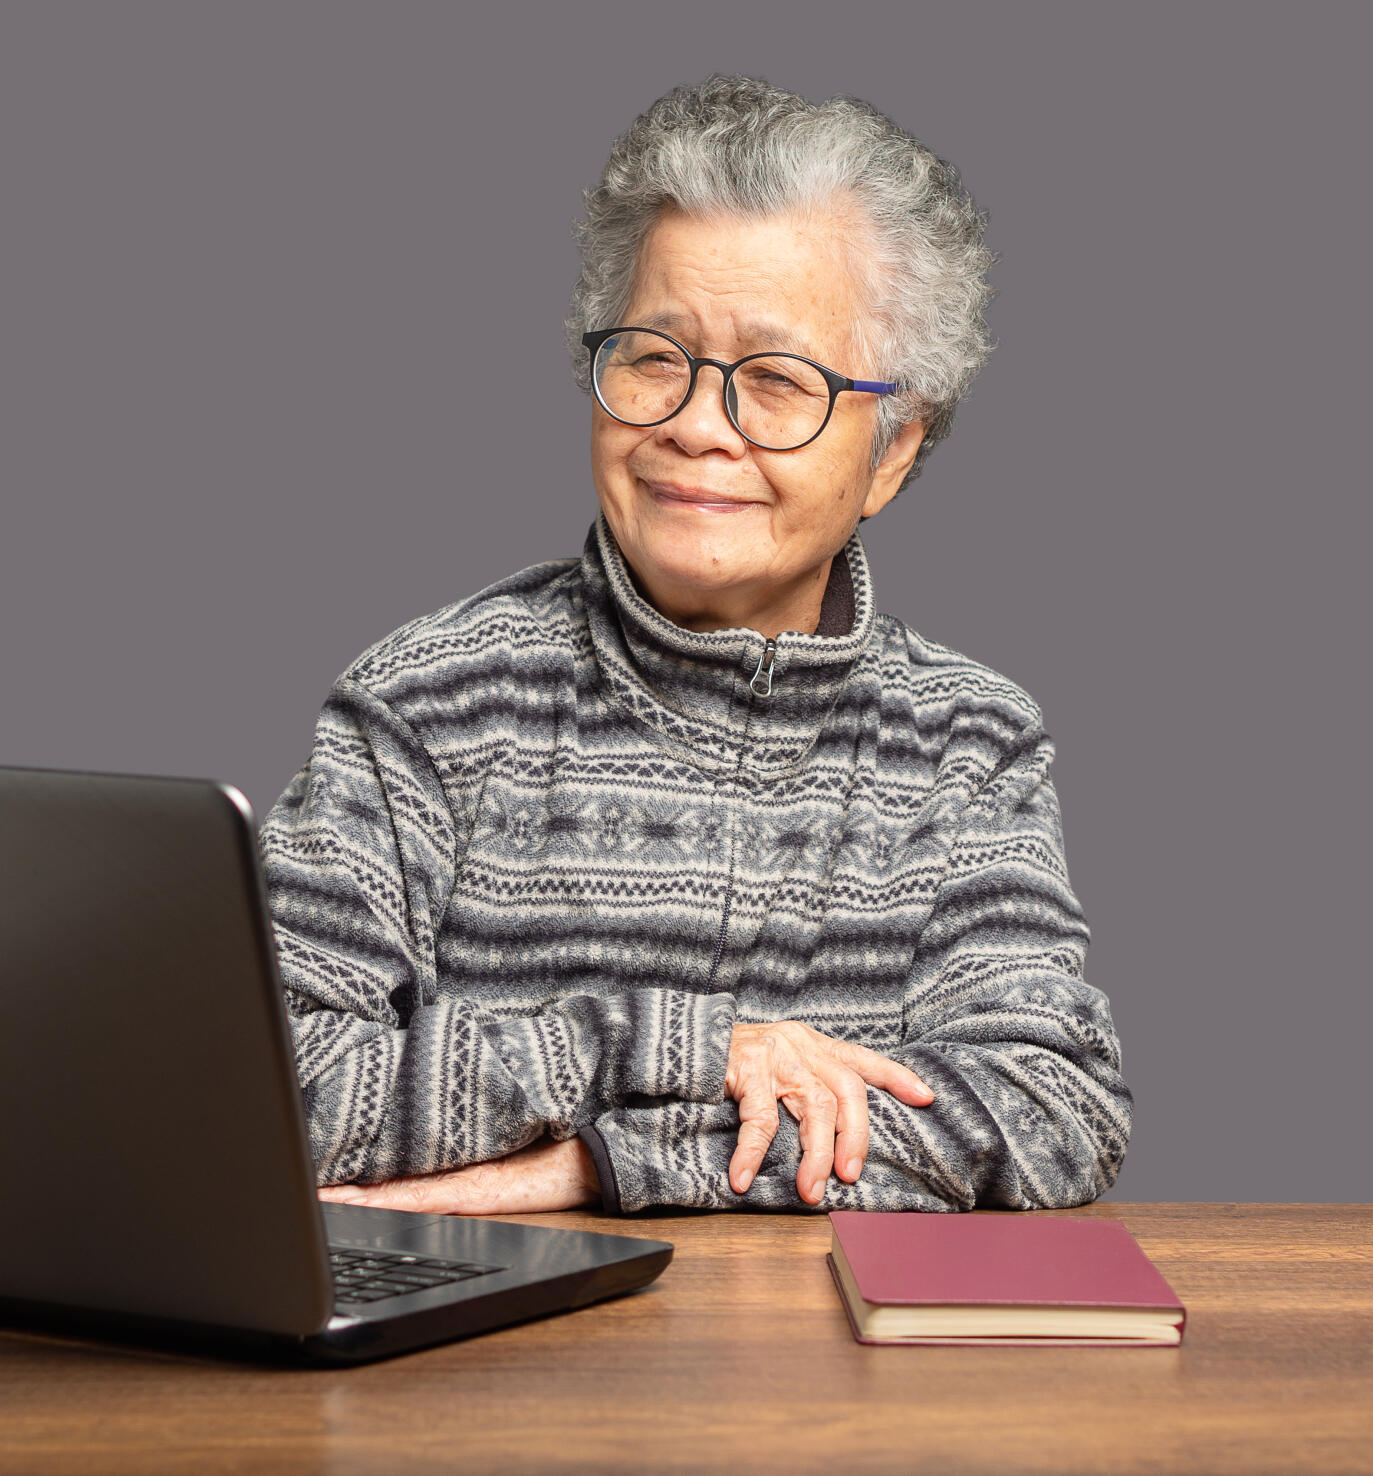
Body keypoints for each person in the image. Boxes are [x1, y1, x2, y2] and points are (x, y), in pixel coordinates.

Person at [261, 75, 1131, 1217]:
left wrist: (590, 1170)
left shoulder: (966, 741)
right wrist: (679, 1047)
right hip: (483, 1380)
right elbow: (260, 1087)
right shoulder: (430, 701)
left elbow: (1048, 1108)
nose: (694, 426)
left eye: (777, 382)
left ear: (892, 450)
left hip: (838, 1387)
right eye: (652, 358)